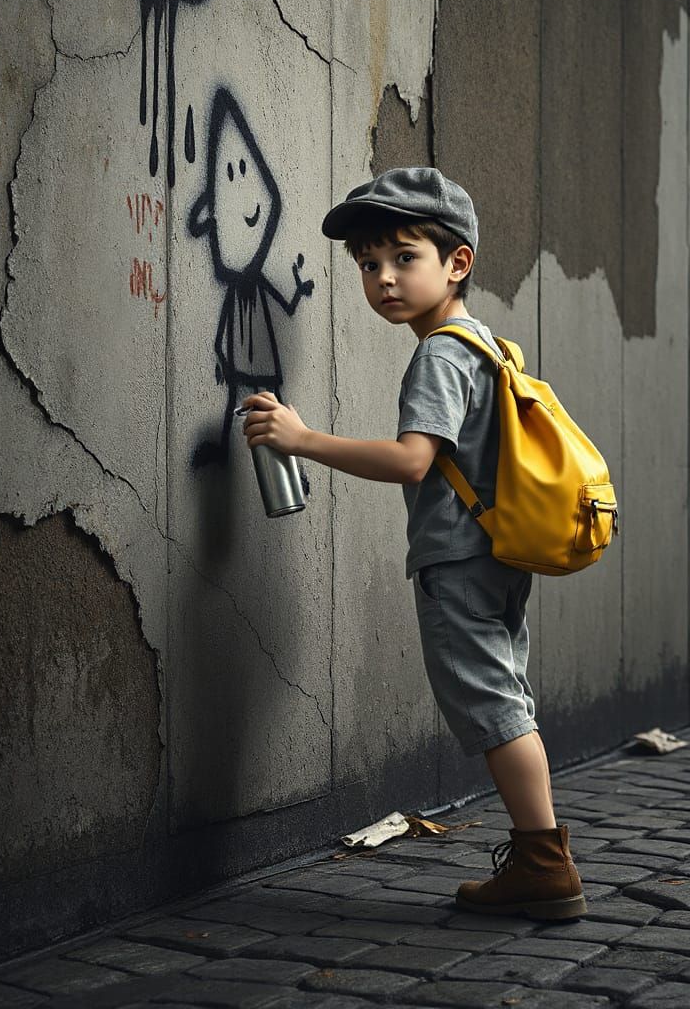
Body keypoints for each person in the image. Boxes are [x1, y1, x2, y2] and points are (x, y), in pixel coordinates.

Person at [239, 166, 586, 920]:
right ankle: (540, 855)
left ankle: (544, 861)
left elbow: (411, 460)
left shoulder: (438, 354)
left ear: (457, 262)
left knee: (496, 708)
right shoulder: (482, 342)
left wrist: (302, 439)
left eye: (405, 258)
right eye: (369, 264)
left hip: (457, 561)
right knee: (507, 697)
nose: (384, 279)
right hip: (496, 553)